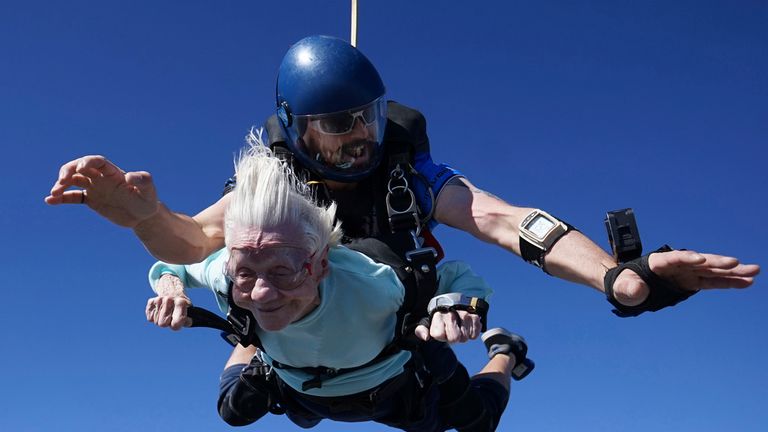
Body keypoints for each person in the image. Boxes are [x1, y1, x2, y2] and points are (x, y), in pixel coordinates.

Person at [45, 35, 759, 327]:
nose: (359, 137)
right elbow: (195, 240)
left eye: (369, 117)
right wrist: (141, 216)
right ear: (296, 128)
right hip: (298, 323)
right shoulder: (276, 177)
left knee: (450, 400)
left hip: (406, 332)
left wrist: (620, 279)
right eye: (337, 125)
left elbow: (508, 222)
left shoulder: (405, 172)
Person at [145, 142, 530, 431]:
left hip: (391, 384)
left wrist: (455, 306)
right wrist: (170, 289)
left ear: (321, 265)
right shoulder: (229, 271)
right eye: (246, 272)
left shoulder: (374, 282)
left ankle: (506, 351)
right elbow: (173, 263)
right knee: (233, 410)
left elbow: (458, 277)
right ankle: (255, 338)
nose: (261, 289)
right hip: (299, 386)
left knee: (477, 422)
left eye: (284, 271)